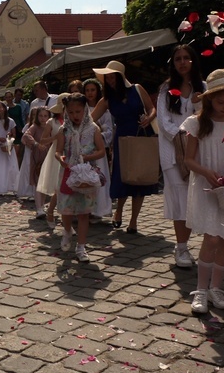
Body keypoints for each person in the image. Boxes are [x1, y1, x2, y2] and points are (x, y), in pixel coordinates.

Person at [181, 69, 224, 313]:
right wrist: (205, 172)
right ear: (210, 99)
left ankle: (217, 287)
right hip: (205, 185)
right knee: (211, 237)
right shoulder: (197, 123)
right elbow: (188, 160)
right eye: (220, 102)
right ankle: (201, 289)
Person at [91, 60, 158, 234]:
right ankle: (119, 211)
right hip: (122, 139)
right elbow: (90, 120)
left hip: (142, 134)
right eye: (107, 78)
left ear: (120, 77)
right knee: (122, 178)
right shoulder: (107, 99)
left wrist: (149, 119)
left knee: (140, 178)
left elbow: (152, 108)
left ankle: (134, 221)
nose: (110, 80)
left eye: (113, 76)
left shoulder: (137, 88)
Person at [157, 45, 205, 268]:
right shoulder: (166, 89)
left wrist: (198, 103)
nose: (182, 62)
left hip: (197, 152)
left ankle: (203, 244)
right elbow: (164, 121)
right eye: (178, 59)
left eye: (186, 58)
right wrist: (182, 136)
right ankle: (181, 247)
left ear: (193, 60)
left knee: (195, 197)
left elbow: (207, 117)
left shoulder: (202, 87)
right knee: (178, 198)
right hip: (172, 152)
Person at [55, 94, 106, 263]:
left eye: (78, 111)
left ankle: (81, 246)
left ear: (85, 110)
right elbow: (58, 150)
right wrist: (60, 158)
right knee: (67, 210)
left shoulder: (93, 128)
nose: (75, 115)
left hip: (86, 173)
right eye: (71, 112)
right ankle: (68, 230)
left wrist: (88, 156)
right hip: (69, 172)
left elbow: (101, 150)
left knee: (84, 213)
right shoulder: (64, 130)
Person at [36, 94, 69, 228]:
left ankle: (67, 218)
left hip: (71, 154)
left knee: (69, 187)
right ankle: (50, 211)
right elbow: (42, 140)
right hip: (56, 154)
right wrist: (55, 137)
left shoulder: (74, 120)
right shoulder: (52, 122)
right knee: (59, 187)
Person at [83, 78, 113, 221]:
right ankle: (84, 209)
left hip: (98, 150)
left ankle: (98, 210)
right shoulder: (81, 108)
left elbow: (109, 131)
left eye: (92, 90)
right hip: (83, 150)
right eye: (87, 90)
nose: (90, 93)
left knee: (98, 178)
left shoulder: (104, 110)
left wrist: (97, 137)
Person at [21, 107, 51, 217]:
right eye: (40, 116)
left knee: (45, 184)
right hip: (37, 158)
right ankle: (39, 208)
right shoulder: (35, 127)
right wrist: (36, 144)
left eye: (45, 116)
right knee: (38, 183)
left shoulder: (51, 126)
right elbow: (26, 135)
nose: (43, 118)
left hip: (49, 157)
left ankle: (42, 206)